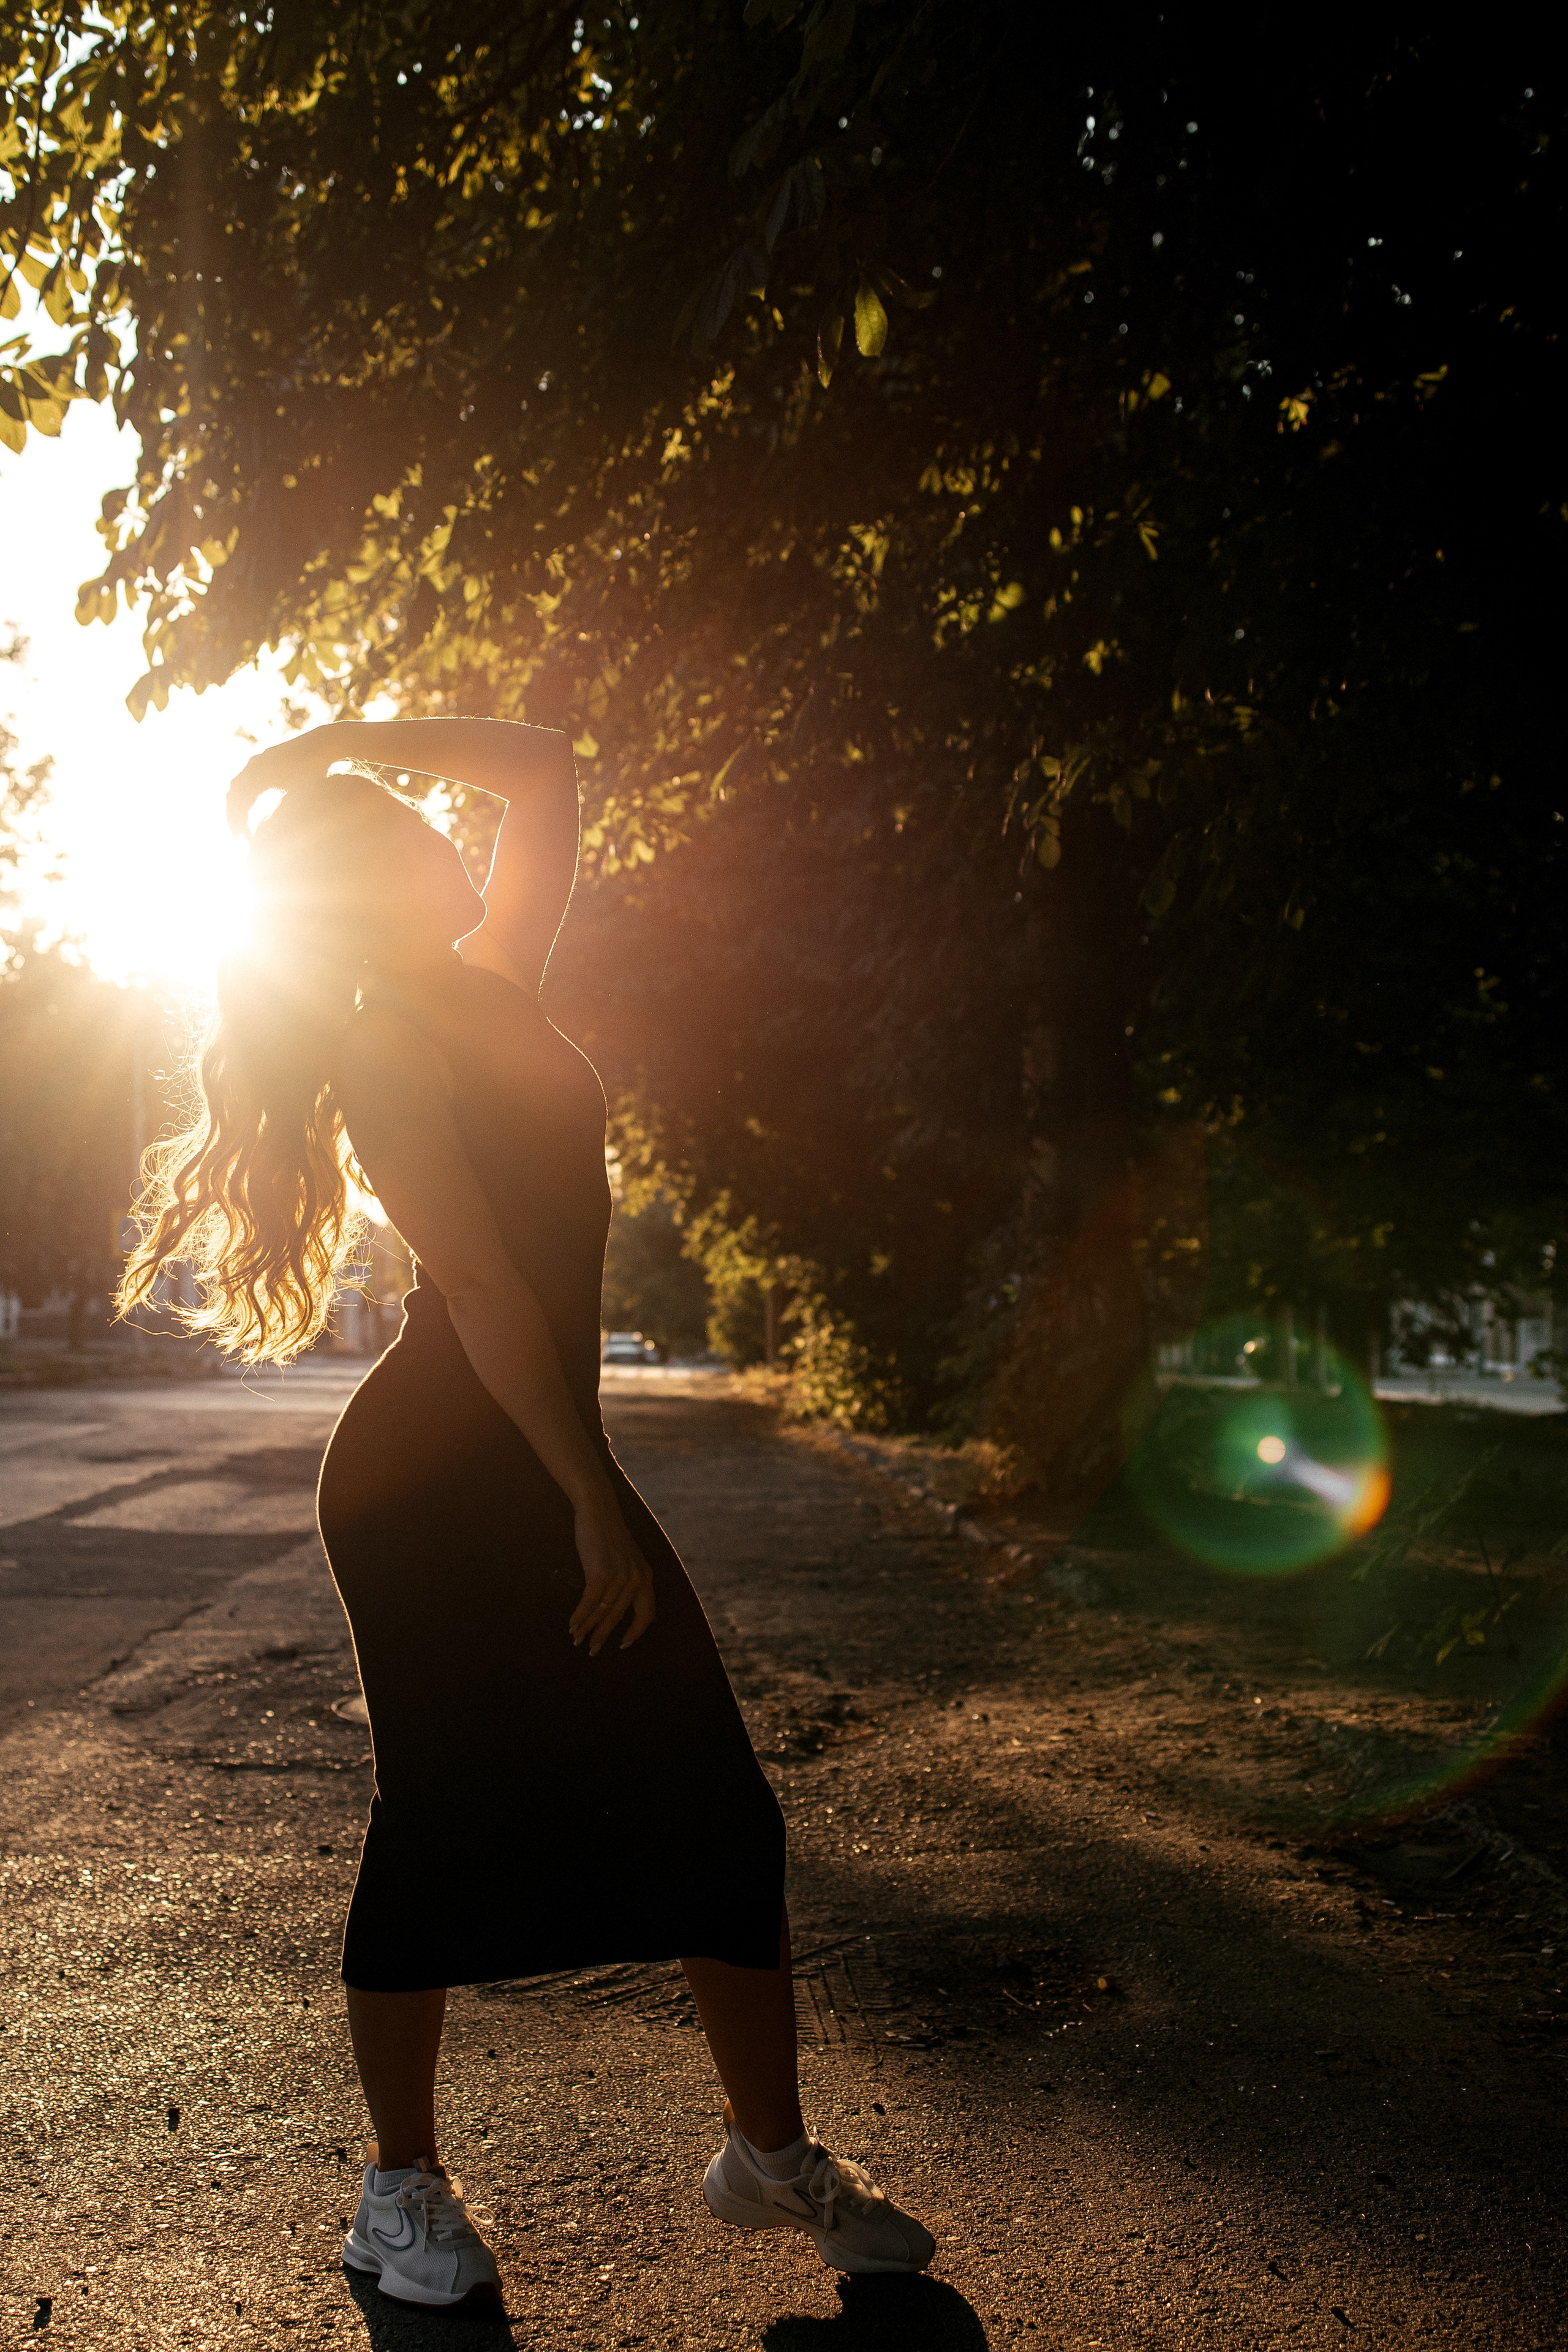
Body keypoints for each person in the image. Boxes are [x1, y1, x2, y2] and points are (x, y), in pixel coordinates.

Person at [119, 717, 934, 2312]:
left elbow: (549, 767)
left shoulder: (495, 980)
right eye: (404, 829)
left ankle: (767, 2158)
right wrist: (591, 1503)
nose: (448, 834)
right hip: (442, 1474)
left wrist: (348, 735)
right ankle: (396, 2198)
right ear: (366, 891)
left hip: (537, 1445)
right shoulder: (387, 1040)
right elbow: (484, 1288)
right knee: (446, 1817)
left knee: (711, 1800)